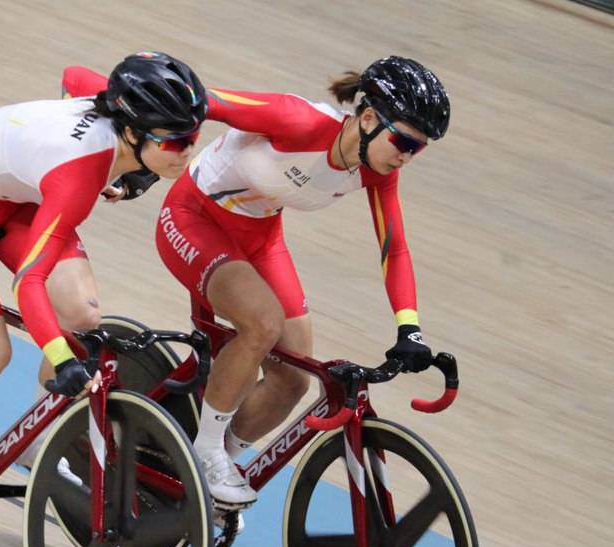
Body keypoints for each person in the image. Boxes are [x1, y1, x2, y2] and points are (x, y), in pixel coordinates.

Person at [61, 56, 450, 508]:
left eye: (417, 148)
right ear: (366, 118)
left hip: (261, 239)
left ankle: (211, 474)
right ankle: (206, 453)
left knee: (295, 375)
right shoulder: (294, 119)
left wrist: (410, 327)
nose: (405, 154)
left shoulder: (378, 171)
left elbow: (394, 248)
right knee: (262, 324)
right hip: (193, 218)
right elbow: (190, 102)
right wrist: (132, 157)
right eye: (402, 139)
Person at [0, 52, 208, 510]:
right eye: (173, 143)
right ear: (131, 131)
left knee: (82, 314)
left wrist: (140, 174)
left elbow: (74, 76)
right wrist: (60, 359)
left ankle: (35, 436)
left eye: (193, 136)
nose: (188, 151)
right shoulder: (78, 175)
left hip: (21, 197)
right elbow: (29, 283)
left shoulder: (114, 100)